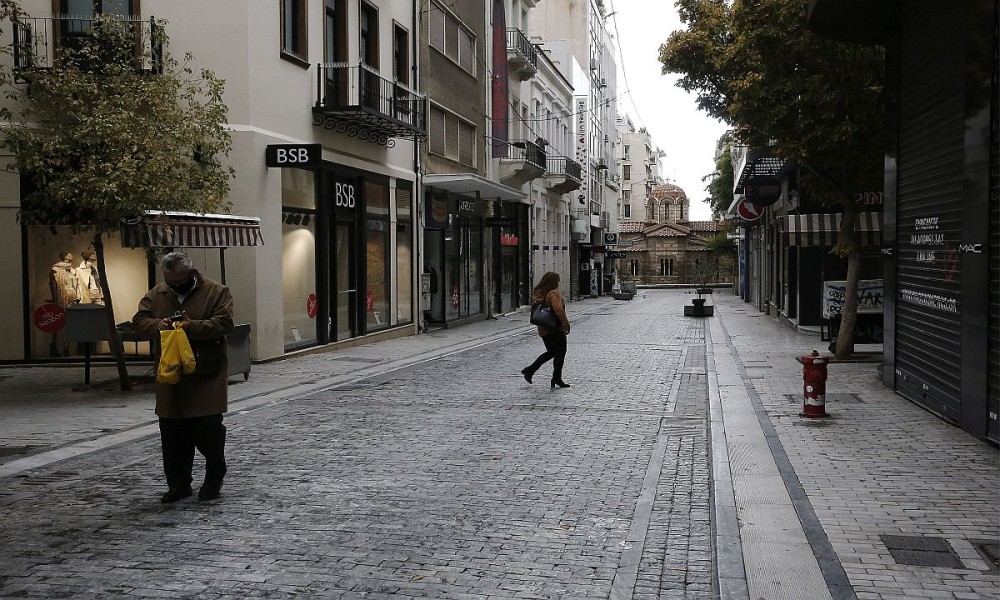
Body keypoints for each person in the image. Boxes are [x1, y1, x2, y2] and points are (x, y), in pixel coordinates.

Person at [132, 252, 234, 503]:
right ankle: (178, 485)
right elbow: (139, 321)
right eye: (169, 281)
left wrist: (192, 326)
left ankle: (213, 478)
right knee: (172, 434)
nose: (173, 286)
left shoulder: (216, 291)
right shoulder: (157, 294)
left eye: (178, 281)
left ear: (191, 274)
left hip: (205, 374)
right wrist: (159, 325)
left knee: (208, 432)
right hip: (171, 375)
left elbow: (224, 322)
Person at [521, 272, 571, 388]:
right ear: (553, 282)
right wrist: (565, 323)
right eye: (557, 281)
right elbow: (558, 309)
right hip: (555, 328)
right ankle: (556, 378)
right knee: (560, 353)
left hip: (543, 328)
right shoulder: (553, 293)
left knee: (552, 352)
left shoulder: (539, 293)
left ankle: (531, 370)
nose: (558, 284)